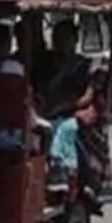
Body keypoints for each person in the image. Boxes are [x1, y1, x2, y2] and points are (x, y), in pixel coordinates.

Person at [39, 20, 93, 192]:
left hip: (73, 113)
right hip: (46, 110)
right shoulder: (46, 62)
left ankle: (62, 172)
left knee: (64, 129)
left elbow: (88, 95)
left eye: (64, 38)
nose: (59, 42)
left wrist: (66, 106)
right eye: (56, 38)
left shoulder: (83, 64)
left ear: (74, 40)